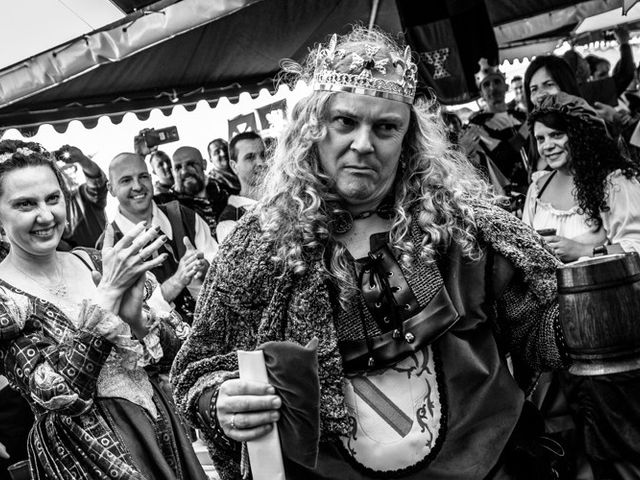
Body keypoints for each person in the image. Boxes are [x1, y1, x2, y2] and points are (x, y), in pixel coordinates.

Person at [171, 26, 566, 480]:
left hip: (486, 464)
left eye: (385, 127)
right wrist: (220, 398)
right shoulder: (258, 244)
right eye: (345, 121)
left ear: (407, 138)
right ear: (312, 128)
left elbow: (541, 330)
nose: (363, 143)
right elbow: (197, 369)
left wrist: (585, 314)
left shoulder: (462, 226)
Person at [0, 140, 207, 480]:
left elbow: (185, 351)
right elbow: (60, 396)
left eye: (53, 199)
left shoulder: (98, 259)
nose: (46, 215)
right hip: (87, 456)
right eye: (25, 204)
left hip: (159, 433)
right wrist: (108, 295)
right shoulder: (6, 298)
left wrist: (139, 321)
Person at [522, 92, 640, 479]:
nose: (548, 145)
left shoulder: (613, 181)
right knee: (569, 435)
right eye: (541, 139)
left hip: (610, 330)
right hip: (556, 336)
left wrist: (585, 250)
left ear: (579, 134)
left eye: (557, 135)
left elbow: (638, 243)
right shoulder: (538, 186)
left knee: (620, 439)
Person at [103, 152, 217, 324]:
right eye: (126, 180)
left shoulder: (183, 216)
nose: (137, 186)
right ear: (111, 188)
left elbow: (221, 266)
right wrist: (176, 282)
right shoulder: (109, 245)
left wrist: (205, 268)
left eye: (142, 177)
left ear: (150, 178)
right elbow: (121, 319)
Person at [460, 58, 530, 197]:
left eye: (497, 82)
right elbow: (502, 155)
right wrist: (528, 126)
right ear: (481, 93)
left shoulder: (520, 115)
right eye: (486, 85)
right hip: (509, 196)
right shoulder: (477, 124)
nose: (492, 88)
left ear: (506, 86)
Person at [156, 146, 228, 236]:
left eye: (191, 164)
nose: (184, 172)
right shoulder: (165, 204)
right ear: (172, 172)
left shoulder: (225, 194)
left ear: (204, 164)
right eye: (178, 168)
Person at [53, 145, 109, 250]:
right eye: (62, 172)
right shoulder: (45, 209)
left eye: (70, 170)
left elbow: (98, 181)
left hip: (99, 262)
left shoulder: (83, 197)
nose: (68, 174)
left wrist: (82, 160)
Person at [216, 132, 266, 244]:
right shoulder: (230, 221)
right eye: (250, 157)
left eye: (263, 155)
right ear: (234, 167)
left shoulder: (283, 197)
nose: (261, 162)